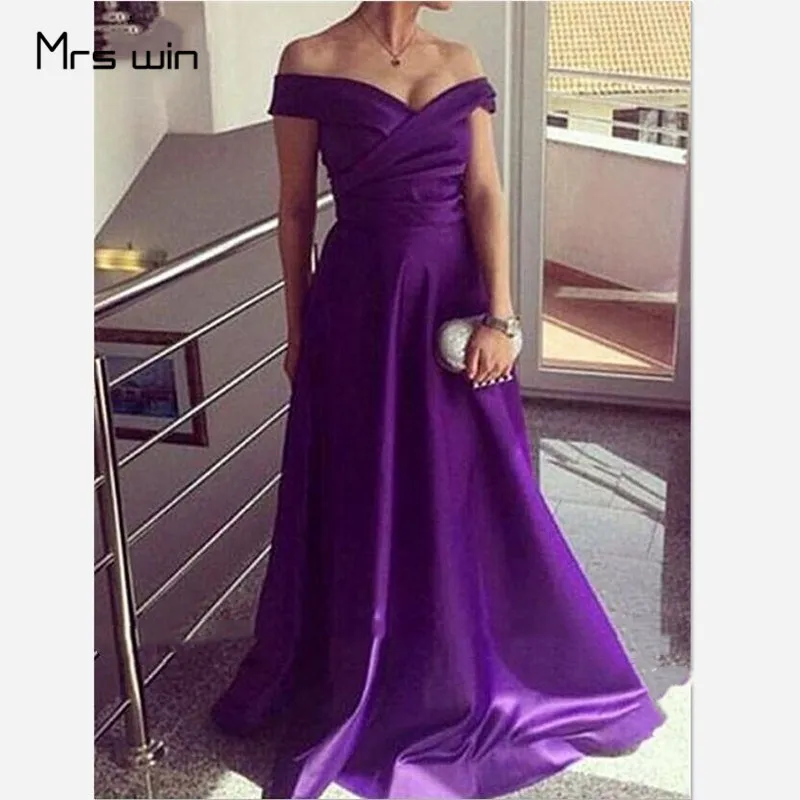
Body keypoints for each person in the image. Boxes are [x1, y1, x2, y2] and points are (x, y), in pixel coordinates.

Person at [211, 3, 665, 798]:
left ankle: (461, 658)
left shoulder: (459, 61)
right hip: (361, 304)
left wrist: (502, 316)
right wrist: (299, 331)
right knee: (368, 482)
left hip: (454, 304)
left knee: (473, 482)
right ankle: (369, 656)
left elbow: (485, 192)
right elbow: (293, 209)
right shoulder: (310, 57)